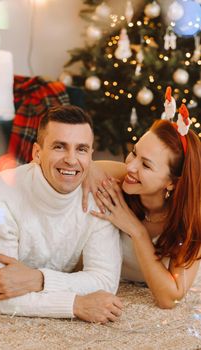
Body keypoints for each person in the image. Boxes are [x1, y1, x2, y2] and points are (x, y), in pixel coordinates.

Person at [0, 105, 123, 323]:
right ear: (37, 153)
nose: (71, 159)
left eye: (81, 149)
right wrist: (75, 304)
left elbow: (105, 279)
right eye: (60, 147)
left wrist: (38, 280)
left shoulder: (97, 196)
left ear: (90, 155)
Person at [83, 104, 201, 309]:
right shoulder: (120, 177)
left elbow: (170, 298)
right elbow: (83, 166)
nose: (130, 166)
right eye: (134, 153)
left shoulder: (190, 219)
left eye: (146, 165)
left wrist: (136, 231)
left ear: (172, 182)